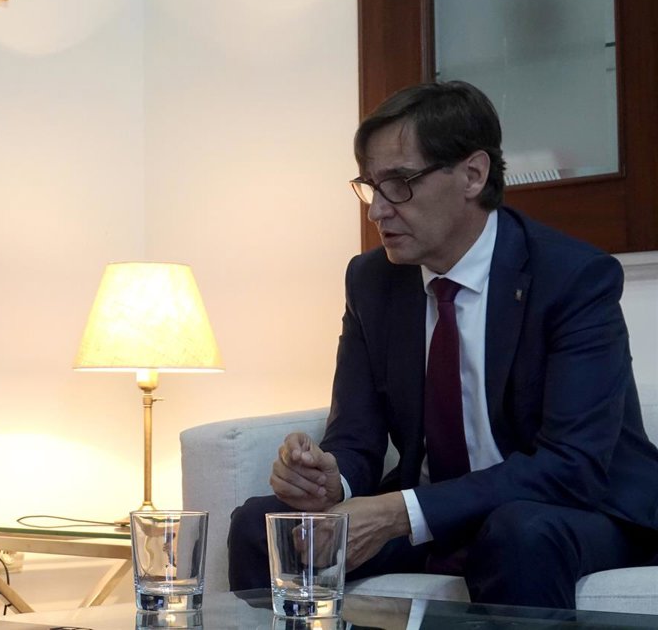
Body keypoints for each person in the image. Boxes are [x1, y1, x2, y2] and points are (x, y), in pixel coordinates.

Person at [227, 80, 658, 608]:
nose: (377, 211)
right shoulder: (372, 281)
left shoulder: (572, 278)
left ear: (473, 174)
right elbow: (357, 438)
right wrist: (331, 480)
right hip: (435, 514)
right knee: (260, 525)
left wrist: (399, 513)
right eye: (370, 186)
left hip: (570, 510)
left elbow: (572, 465)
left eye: (399, 184)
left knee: (518, 533)